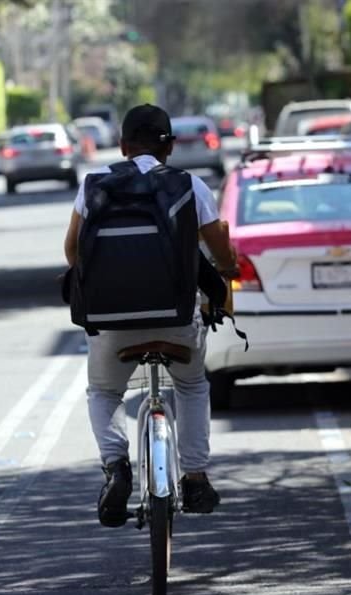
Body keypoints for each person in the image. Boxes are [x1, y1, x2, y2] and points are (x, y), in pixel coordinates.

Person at [63, 104, 238, 527]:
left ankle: (116, 465)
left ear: (122, 146)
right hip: (175, 318)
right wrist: (225, 274)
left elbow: (72, 252)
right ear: (170, 147)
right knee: (193, 385)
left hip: (110, 323)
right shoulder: (189, 186)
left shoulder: (94, 186)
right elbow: (219, 252)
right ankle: (195, 477)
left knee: (104, 393)